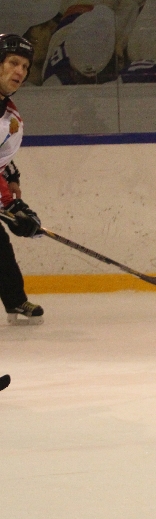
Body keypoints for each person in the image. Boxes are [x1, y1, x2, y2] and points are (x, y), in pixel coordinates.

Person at [0, 34, 44, 325]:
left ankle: (15, 300)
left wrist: (10, 175)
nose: (20, 71)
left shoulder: (10, 118)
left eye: (25, 67)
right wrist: (10, 205)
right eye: (13, 62)